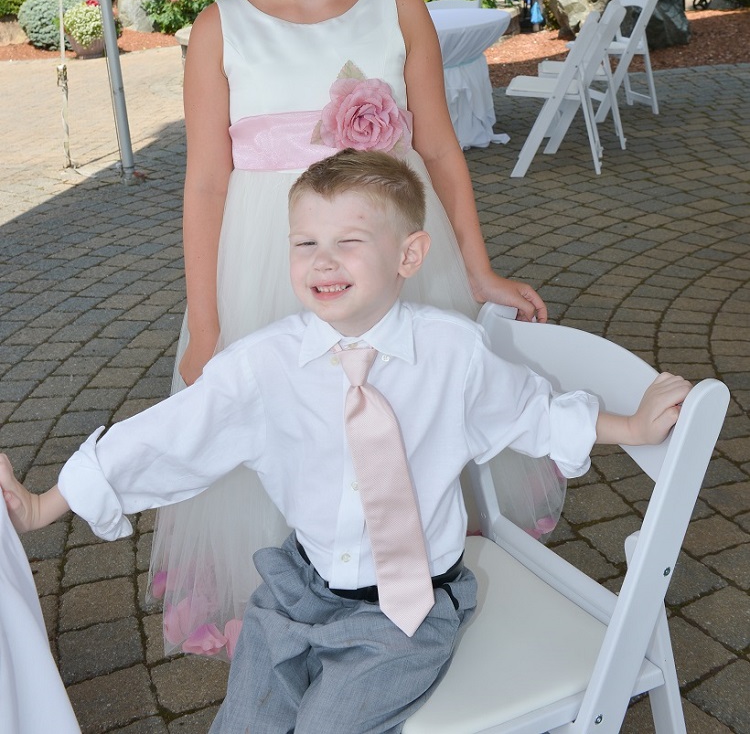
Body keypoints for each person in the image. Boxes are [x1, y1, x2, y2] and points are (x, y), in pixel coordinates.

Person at [0, 149, 691, 734]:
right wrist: (43, 505)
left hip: (409, 612)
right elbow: (165, 439)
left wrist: (629, 425)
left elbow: (531, 413)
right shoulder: (261, 364)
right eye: (306, 243)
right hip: (298, 590)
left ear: (409, 254)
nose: (323, 261)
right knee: (244, 722)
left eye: (349, 241)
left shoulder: (453, 351)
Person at [149, 0, 559, 657]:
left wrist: (479, 269)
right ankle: (314, 606)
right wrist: (209, 322)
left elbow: (441, 149)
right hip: (275, 265)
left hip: (398, 258)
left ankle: (422, 584)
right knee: (290, 427)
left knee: (414, 411)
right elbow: (208, 184)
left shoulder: (396, 8)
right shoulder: (221, 28)